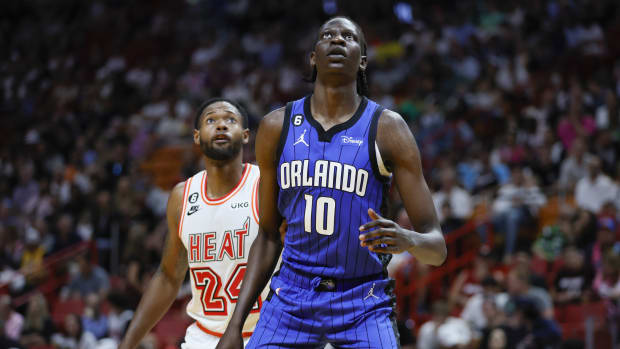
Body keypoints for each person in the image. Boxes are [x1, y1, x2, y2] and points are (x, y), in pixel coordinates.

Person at [217, 16, 446, 348]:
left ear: (363, 61)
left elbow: (437, 248)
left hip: (363, 300)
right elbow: (267, 235)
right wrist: (234, 326)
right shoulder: (275, 127)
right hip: (290, 298)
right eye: (328, 35)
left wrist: (408, 238)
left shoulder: (388, 129)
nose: (337, 40)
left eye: (349, 37)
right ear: (313, 57)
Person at [119, 98, 268, 348]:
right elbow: (168, 276)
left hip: (265, 335)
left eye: (230, 120)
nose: (221, 125)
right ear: (197, 136)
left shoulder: (265, 184)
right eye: (211, 120)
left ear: (245, 135)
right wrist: (128, 343)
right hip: (204, 337)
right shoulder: (182, 196)